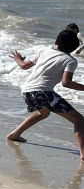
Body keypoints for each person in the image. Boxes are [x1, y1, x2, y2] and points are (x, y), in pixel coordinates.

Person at [7, 29, 84, 162]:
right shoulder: (70, 60)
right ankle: (83, 154)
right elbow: (66, 83)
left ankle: (15, 134)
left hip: (27, 90)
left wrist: (17, 58)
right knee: (79, 120)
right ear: (76, 47)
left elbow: (24, 66)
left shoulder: (44, 51)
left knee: (43, 113)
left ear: (56, 42)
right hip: (43, 92)